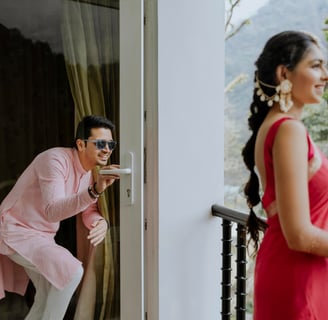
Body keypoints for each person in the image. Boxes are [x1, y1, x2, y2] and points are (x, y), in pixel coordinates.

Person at [242, 30, 328, 319]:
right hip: (299, 281)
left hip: (291, 273)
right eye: (316, 66)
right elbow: (300, 235)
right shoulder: (289, 130)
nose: (325, 75)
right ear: (284, 73)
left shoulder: (273, 126)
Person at [0, 115, 120, 319]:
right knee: (72, 272)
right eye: (101, 143)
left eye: (111, 144)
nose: (107, 149)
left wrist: (100, 221)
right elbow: (52, 210)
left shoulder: (89, 173)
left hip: (42, 237)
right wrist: (96, 189)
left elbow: (88, 211)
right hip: (17, 230)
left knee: (46, 295)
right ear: (81, 144)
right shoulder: (53, 159)